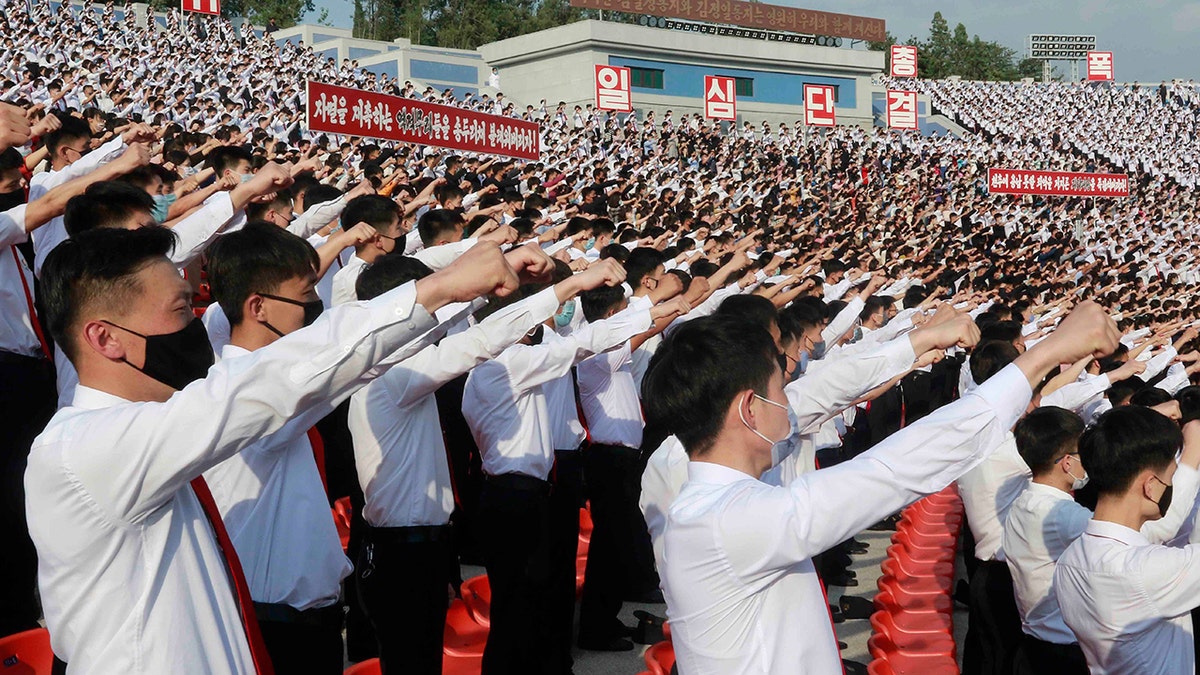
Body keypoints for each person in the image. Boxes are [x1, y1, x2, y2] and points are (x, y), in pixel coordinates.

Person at [24, 224, 526, 673]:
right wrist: (438, 289)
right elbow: (270, 382)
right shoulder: (83, 449)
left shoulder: (143, 440)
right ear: (106, 338)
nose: (199, 325)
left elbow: (325, 377)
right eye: (182, 310)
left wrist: (454, 298)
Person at [643, 301, 1119, 674]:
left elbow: (828, 390)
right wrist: (1045, 354)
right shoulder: (726, 521)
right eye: (780, 389)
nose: (791, 402)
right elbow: (892, 468)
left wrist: (919, 341)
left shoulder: (717, 501)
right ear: (749, 410)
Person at [348, 244, 562, 675]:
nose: (436, 314)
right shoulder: (392, 376)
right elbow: (476, 341)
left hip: (424, 542)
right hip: (402, 549)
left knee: (421, 657)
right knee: (412, 661)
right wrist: (565, 288)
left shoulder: (405, 371)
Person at [200, 223, 348, 674]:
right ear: (258, 307)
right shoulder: (247, 393)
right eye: (304, 298)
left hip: (304, 618)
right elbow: (363, 354)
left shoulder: (264, 381)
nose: (312, 309)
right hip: (279, 626)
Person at [1003, 406, 1200, 675]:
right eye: (1170, 477)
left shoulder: (1069, 561)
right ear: (1150, 485)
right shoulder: (1146, 571)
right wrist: (1192, 454)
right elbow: (1164, 530)